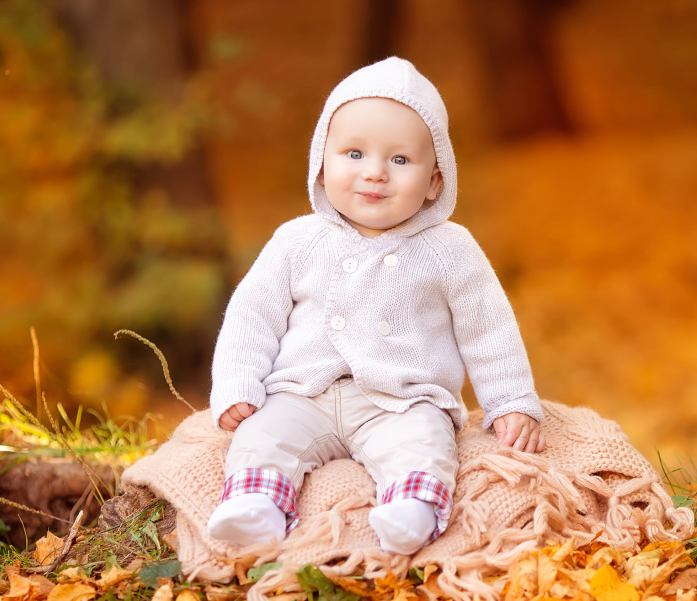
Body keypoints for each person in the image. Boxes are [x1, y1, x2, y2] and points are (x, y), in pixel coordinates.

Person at [205, 57, 544, 556]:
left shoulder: (450, 249)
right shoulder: (297, 241)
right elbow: (251, 316)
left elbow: (488, 330)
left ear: (435, 181)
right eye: (354, 153)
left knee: (424, 441)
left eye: (400, 160)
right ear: (322, 163)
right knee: (262, 436)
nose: (375, 173)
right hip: (302, 392)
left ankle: (412, 508)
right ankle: (256, 504)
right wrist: (238, 383)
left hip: (401, 399)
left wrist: (511, 401)